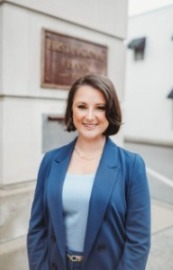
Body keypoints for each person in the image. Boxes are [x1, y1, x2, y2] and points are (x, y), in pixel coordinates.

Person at [27, 73, 151, 270]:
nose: (90, 116)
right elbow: (37, 229)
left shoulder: (132, 165)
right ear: (71, 110)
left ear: (110, 112)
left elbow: (138, 241)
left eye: (100, 108)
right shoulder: (50, 161)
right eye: (82, 106)